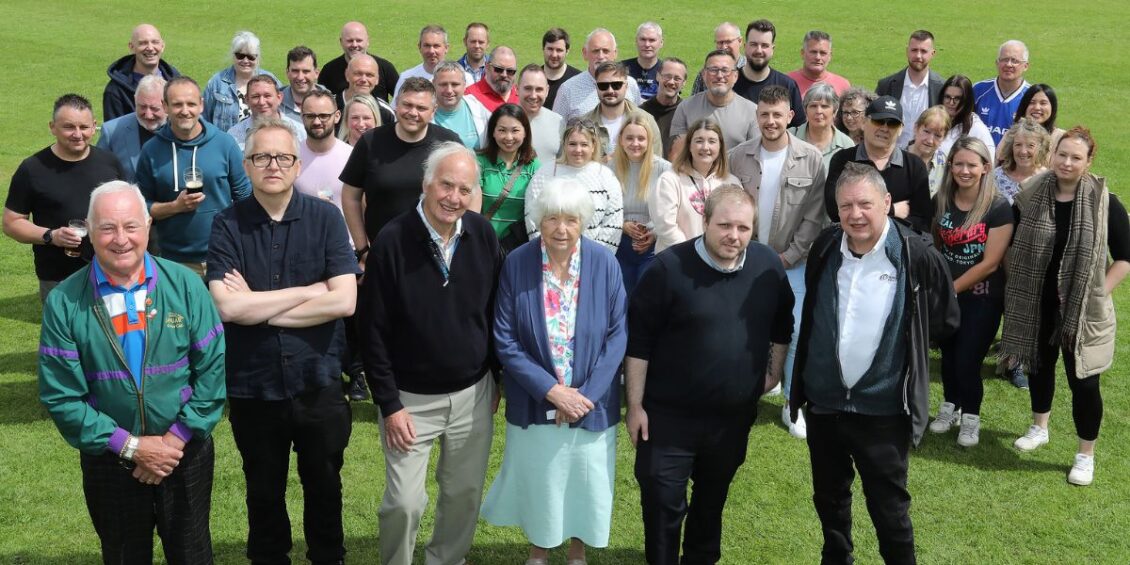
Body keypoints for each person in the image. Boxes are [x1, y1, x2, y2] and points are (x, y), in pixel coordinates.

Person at [38, 180, 226, 563]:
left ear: (148, 225)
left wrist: (172, 442)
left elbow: (212, 372)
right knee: (123, 555)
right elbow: (62, 396)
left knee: (192, 554)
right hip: (110, 457)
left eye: (131, 226)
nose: (120, 239)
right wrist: (132, 447)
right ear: (90, 231)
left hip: (183, 452)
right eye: (107, 228)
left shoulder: (187, 286)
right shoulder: (64, 301)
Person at [206, 118, 358, 564]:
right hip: (254, 384)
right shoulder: (227, 224)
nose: (272, 165)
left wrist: (258, 306)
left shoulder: (326, 218)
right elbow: (228, 307)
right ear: (246, 165)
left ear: (297, 165)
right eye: (261, 157)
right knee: (262, 489)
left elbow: (345, 300)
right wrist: (311, 291)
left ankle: (327, 557)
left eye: (283, 157)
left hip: (318, 380)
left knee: (325, 484)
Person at [791, 163, 959, 565]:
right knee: (829, 498)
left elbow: (945, 321)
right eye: (845, 206)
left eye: (865, 204)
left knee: (889, 509)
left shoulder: (918, 255)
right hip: (825, 404)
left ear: (886, 202)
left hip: (884, 410)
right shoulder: (826, 246)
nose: (855, 214)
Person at [627, 185, 794, 565]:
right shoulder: (667, 269)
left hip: (731, 420)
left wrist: (773, 373)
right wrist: (634, 405)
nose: (734, 236)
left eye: (743, 228)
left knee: (710, 504)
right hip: (667, 420)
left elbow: (783, 324)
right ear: (705, 222)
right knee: (662, 504)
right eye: (724, 226)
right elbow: (639, 342)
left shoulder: (767, 266)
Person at [359, 142, 503, 565]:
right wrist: (389, 404)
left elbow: (496, 312)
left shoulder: (482, 234)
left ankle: (447, 559)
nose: (453, 198)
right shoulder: (392, 240)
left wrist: (496, 377)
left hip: (472, 394)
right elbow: (371, 331)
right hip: (409, 402)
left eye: (464, 189)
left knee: (464, 494)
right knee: (403, 503)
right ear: (426, 184)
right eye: (446, 185)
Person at [482, 178, 627, 565]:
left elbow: (617, 336)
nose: (561, 229)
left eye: (570, 220)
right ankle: (539, 548)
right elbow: (505, 338)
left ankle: (578, 550)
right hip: (537, 397)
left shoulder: (605, 263)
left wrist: (583, 398)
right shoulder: (517, 262)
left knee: (586, 479)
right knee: (541, 477)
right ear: (538, 220)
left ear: (583, 222)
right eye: (552, 219)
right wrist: (552, 391)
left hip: (590, 401)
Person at [1002, 127, 1130, 486]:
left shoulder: (1105, 203)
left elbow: (1125, 258)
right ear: (1052, 155)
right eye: (1062, 154)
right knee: (1039, 366)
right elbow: (1008, 244)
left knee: (1084, 382)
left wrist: (1099, 293)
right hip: (1037, 302)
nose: (1067, 162)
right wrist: (1017, 282)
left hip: (1083, 311)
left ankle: (1085, 455)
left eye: (1076, 157)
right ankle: (1039, 426)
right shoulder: (1030, 194)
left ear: (1088, 161)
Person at [729, 85, 827, 439]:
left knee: (796, 329)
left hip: (793, 262)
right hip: (746, 261)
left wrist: (790, 256)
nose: (770, 121)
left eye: (777, 115)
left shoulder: (811, 158)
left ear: (790, 116)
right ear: (757, 116)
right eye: (764, 114)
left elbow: (814, 216)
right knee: (743, 328)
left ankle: (792, 402)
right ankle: (747, 389)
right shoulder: (738, 156)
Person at [928, 137, 1015, 447]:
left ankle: (971, 418)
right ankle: (950, 406)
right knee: (949, 357)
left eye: (971, 165)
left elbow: (991, 263)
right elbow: (935, 247)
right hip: (947, 296)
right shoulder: (941, 199)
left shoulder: (998, 207)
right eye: (959, 164)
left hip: (982, 297)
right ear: (950, 166)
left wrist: (951, 289)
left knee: (967, 360)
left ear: (985, 168)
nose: (964, 171)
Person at [5, 94, 124, 301]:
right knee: (61, 323)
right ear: (53, 127)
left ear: (94, 126)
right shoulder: (33, 169)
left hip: (108, 270)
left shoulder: (109, 163)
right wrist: (51, 236)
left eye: (84, 127)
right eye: (69, 127)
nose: (78, 134)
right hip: (58, 277)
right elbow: (11, 223)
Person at [295, 91, 370, 403]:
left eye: (324, 115)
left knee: (353, 320)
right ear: (302, 117)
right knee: (316, 318)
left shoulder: (352, 156)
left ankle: (357, 375)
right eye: (311, 115)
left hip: (347, 250)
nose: (317, 121)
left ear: (337, 116)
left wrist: (364, 253)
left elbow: (364, 205)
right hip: (303, 252)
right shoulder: (293, 156)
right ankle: (324, 375)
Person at [136, 77, 252, 275]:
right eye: (177, 104)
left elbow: (245, 198)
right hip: (174, 261)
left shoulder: (225, 144)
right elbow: (141, 207)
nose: (185, 111)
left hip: (223, 256)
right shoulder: (151, 150)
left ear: (201, 105)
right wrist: (175, 207)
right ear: (165, 106)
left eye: (191, 104)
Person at [340, 77, 460, 264]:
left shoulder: (448, 143)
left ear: (433, 110)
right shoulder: (371, 141)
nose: (413, 112)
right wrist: (363, 249)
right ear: (396, 104)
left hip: (436, 257)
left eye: (421, 108)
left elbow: (472, 191)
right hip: (383, 255)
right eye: (407, 105)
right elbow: (350, 196)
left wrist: (461, 240)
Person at [824, 96, 933, 232]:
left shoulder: (915, 166)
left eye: (892, 124)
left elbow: (922, 220)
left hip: (898, 242)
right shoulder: (843, 160)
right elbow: (834, 209)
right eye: (878, 121)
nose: (885, 128)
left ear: (901, 129)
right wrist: (891, 210)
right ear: (864, 122)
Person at [525, 120, 623, 253]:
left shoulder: (607, 177)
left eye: (584, 144)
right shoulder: (544, 174)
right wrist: (548, 252)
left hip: (594, 257)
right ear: (564, 144)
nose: (578, 150)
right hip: (550, 255)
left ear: (593, 146)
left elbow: (613, 222)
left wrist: (598, 257)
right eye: (572, 144)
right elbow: (532, 216)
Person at [652, 118, 739, 253]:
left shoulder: (731, 183)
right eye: (699, 141)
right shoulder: (669, 180)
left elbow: (737, 223)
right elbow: (665, 225)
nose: (705, 147)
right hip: (678, 256)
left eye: (712, 141)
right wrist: (692, 253)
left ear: (720, 146)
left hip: (717, 258)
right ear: (689, 146)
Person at [611, 111, 671, 293]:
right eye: (629, 138)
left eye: (641, 138)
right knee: (622, 297)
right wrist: (622, 225)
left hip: (653, 245)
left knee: (647, 297)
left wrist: (654, 231)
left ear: (649, 141)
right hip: (618, 244)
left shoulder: (664, 169)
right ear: (621, 140)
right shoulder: (608, 169)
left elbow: (672, 210)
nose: (635, 143)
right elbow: (603, 209)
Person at [668, 50, 759, 161]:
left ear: (735, 76)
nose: (719, 76)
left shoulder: (752, 111)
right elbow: (676, 155)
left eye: (725, 70)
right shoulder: (686, 108)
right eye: (713, 70)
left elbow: (756, 156)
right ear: (704, 75)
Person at [475, 103, 540, 253]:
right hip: (484, 245)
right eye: (502, 130)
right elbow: (472, 210)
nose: (509, 137)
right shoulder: (480, 162)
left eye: (515, 130)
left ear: (525, 132)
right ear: (493, 132)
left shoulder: (533, 166)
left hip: (518, 248)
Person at [552, 28, 643, 121]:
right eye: (596, 51)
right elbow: (555, 126)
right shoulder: (568, 89)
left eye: (605, 51)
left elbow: (640, 122)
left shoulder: (630, 84)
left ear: (615, 53)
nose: (601, 56)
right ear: (585, 53)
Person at [875, 30, 944, 148]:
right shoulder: (886, 85)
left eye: (923, 51)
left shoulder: (942, 88)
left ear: (932, 53)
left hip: (925, 155)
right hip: (891, 155)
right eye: (914, 50)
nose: (918, 56)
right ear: (907, 51)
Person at [202, 31, 280, 134]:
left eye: (251, 57)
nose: (245, 61)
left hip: (263, 141)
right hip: (227, 142)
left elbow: (282, 113)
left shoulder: (270, 80)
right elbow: (204, 118)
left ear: (257, 58)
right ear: (233, 55)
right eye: (240, 56)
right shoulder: (217, 83)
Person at [733, 19, 804, 128]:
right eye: (754, 44)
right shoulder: (730, 83)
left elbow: (799, 129)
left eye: (765, 45)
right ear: (745, 46)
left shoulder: (787, 85)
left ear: (772, 49)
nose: (759, 50)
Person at [97, 75, 167, 182]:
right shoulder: (111, 132)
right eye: (142, 107)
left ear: (167, 104)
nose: (148, 115)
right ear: (135, 100)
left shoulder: (182, 130)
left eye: (154, 108)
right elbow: (98, 174)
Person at [578, 62, 659, 156]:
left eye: (616, 85)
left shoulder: (647, 120)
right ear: (596, 87)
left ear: (626, 86)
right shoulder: (583, 124)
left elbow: (655, 160)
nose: (610, 90)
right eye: (603, 86)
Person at [103, 24, 180, 121]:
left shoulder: (176, 82)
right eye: (143, 43)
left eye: (155, 42)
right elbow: (115, 129)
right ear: (132, 47)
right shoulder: (115, 91)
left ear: (162, 46)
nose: (150, 48)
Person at [318, 21, 399, 101]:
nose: (354, 45)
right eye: (350, 41)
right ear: (341, 42)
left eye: (359, 40)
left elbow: (401, 98)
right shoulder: (329, 71)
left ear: (367, 41)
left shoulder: (385, 68)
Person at [974, 40, 1031, 145]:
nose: (1009, 64)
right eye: (1004, 59)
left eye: (1014, 61)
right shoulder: (978, 90)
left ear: (1025, 66)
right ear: (997, 63)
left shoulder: (1032, 96)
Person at [226, 75, 306, 149]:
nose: (261, 102)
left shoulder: (301, 132)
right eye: (256, 96)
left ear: (279, 98)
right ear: (247, 100)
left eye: (267, 96)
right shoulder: (234, 135)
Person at [789, 82, 855, 171]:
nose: (818, 111)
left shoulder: (846, 145)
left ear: (835, 111)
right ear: (805, 110)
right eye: (813, 106)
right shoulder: (789, 137)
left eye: (824, 106)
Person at [393, 25, 469, 99]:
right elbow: (397, 106)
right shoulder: (406, 77)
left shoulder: (465, 78)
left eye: (436, 46)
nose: (431, 51)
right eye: (427, 45)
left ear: (446, 48)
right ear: (419, 47)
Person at [432, 61, 491, 149]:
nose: (449, 90)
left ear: (464, 85)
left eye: (455, 84)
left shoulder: (478, 108)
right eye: (443, 84)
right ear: (433, 84)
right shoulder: (424, 112)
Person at [994, 117, 1050, 204]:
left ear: (1041, 148)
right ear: (1011, 147)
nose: (1023, 151)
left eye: (1030, 145)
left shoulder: (1047, 180)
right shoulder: (996, 177)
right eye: (1018, 145)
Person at [938, 75, 996, 159]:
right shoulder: (935, 120)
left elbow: (989, 162)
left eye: (957, 99)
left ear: (967, 100)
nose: (951, 103)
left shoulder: (977, 130)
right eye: (947, 97)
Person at [639, 57, 687, 158]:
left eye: (677, 78)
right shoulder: (642, 112)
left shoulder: (688, 113)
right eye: (667, 76)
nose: (671, 82)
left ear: (684, 83)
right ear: (657, 76)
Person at [517, 65, 564, 162]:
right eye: (528, 88)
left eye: (539, 89)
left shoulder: (559, 122)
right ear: (517, 89)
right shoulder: (502, 121)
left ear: (547, 91)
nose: (533, 96)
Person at [1001, 83, 1064, 154]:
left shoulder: (1061, 138)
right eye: (1032, 102)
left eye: (1043, 103)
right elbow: (1000, 158)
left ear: (1052, 107)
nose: (1037, 107)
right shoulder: (1011, 134)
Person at [688, 22, 746, 95]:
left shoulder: (749, 70)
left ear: (740, 41)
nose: (724, 47)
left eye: (728, 42)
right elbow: (695, 99)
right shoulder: (706, 72)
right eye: (720, 42)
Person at [335, 54, 395, 123]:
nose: (363, 79)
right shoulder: (329, 106)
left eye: (369, 75)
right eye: (358, 74)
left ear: (377, 79)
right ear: (347, 75)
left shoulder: (387, 113)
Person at [787, 31, 850, 97]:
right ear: (802, 53)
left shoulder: (843, 86)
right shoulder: (787, 82)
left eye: (823, 53)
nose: (818, 57)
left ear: (830, 56)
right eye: (813, 52)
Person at [906, 105, 951, 196]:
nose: (930, 140)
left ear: (944, 137)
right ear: (916, 128)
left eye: (938, 136)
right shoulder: (895, 158)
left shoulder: (946, 165)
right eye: (926, 132)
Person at [466, 46, 520, 112]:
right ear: (487, 67)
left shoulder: (522, 95)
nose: (504, 75)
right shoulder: (469, 96)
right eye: (498, 69)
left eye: (510, 71)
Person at [541, 27, 582, 110]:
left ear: (567, 51)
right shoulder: (533, 78)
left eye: (559, 50)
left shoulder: (578, 80)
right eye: (550, 49)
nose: (554, 55)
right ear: (543, 49)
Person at [622, 22, 664, 100]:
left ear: (661, 42)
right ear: (636, 41)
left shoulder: (668, 71)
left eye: (652, 40)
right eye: (643, 39)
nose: (647, 44)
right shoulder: (620, 69)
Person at [280, 46, 322, 122]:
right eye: (295, 71)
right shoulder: (275, 103)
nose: (300, 77)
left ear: (316, 73)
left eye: (306, 71)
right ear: (287, 73)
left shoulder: (331, 102)